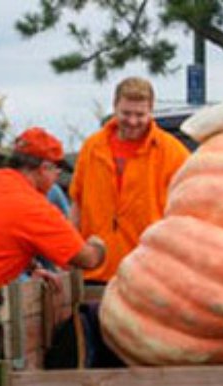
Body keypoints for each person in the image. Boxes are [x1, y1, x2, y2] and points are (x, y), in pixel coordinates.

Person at [0, 126, 106, 333]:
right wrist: (99, 244)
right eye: (56, 170)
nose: (57, 177)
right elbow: (87, 259)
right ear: (44, 168)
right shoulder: (35, 208)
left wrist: (29, 266)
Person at [68, 76, 190, 284]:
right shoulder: (92, 147)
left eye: (140, 114)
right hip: (95, 275)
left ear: (151, 111)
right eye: (126, 113)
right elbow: (77, 205)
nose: (133, 121)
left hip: (149, 276)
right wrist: (70, 254)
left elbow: (187, 215)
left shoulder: (174, 153)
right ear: (115, 107)